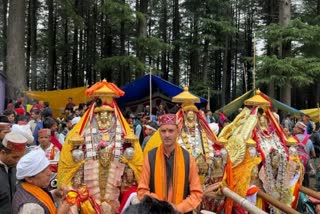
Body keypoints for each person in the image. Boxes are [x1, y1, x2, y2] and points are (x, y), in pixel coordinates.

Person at [137, 114, 203, 213]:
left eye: (171, 131)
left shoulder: (188, 158)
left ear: (178, 132)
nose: (167, 135)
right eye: (163, 131)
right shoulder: (150, 157)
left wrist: (178, 208)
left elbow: (196, 193)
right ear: (159, 133)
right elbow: (142, 191)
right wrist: (160, 205)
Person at [12, 149, 70, 213]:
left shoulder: (27, 186)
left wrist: (56, 194)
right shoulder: (32, 208)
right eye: (43, 171)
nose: (50, 173)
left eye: (48, 167)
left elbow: (42, 199)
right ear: (29, 178)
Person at [0, 132, 28, 213]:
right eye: (14, 157)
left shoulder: (15, 167)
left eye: (20, 157)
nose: (18, 161)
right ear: (3, 153)